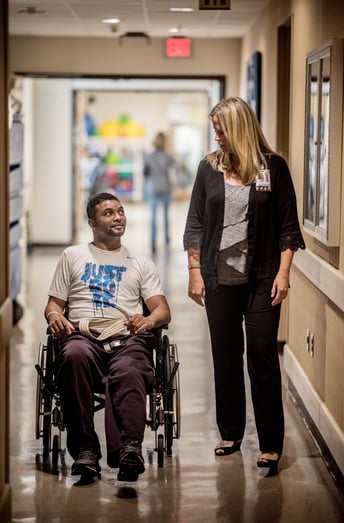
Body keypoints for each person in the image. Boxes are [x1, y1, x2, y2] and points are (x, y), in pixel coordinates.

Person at [183, 97, 305, 475]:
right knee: (225, 354)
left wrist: (284, 273)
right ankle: (231, 432)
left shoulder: (274, 168)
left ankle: (270, 443)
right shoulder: (208, 168)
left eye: (221, 130)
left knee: (263, 356)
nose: (216, 136)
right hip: (219, 278)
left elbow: (288, 227)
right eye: (214, 130)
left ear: (239, 128)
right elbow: (196, 223)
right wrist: (194, 271)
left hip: (264, 277)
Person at [44, 192, 171, 484]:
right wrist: (55, 317)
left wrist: (148, 319)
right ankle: (85, 451)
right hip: (82, 334)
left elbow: (162, 310)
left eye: (121, 211)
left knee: (131, 368)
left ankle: (128, 448)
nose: (118, 217)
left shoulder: (139, 261)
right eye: (109, 213)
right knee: (73, 357)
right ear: (92, 222)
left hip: (125, 335)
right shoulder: (73, 255)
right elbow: (53, 305)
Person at [143, 132, 176, 253]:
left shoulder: (149, 156)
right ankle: (166, 241)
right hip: (165, 187)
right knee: (165, 217)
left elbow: (145, 173)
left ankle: (153, 242)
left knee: (153, 217)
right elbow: (173, 173)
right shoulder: (168, 156)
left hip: (153, 187)